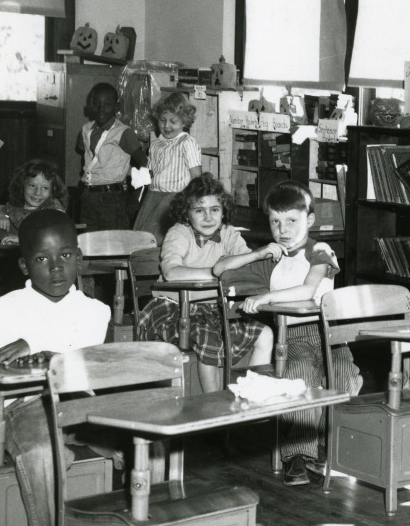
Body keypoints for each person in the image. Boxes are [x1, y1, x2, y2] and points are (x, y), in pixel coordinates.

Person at [0, 210, 112, 526]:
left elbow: (91, 357)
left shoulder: (96, 310)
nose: (55, 268)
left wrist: (42, 348)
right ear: (23, 264)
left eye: (65, 256)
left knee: (146, 442)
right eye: (41, 259)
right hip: (26, 405)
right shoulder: (3, 309)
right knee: (41, 450)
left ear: (79, 258)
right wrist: (26, 357)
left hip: (83, 405)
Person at [217, 181, 361, 487]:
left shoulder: (319, 249)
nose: (283, 229)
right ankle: (297, 454)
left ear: (309, 220)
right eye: (275, 222)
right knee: (300, 377)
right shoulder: (271, 259)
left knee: (343, 375)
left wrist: (267, 298)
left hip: (331, 335)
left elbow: (309, 288)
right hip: (291, 338)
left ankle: (323, 445)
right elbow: (220, 271)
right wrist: (256, 255)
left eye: (292, 220)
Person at [135, 174, 273, 393]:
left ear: (223, 211)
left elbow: (247, 266)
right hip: (176, 309)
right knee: (210, 339)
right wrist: (216, 272)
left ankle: (253, 396)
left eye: (215, 209)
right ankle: (215, 406)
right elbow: (171, 272)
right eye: (199, 210)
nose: (208, 217)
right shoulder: (179, 232)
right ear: (187, 214)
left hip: (214, 309)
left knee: (265, 334)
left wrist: (259, 256)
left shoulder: (228, 233)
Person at [133, 91, 203, 243]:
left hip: (175, 199)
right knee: (145, 240)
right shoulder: (156, 144)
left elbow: (197, 177)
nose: (166, 126)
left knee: (167, 241)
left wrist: (196, 202)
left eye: (173, 121)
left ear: (184, 122)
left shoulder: (187, 143)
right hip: (152, 198)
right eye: (162, 120)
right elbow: (150, 173)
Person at [75, 82, 146, 231]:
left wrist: (136, 195)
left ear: (117, 107)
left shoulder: (123, 133)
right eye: (96, 103)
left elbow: (145, 163)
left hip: (112, 199)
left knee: (112, 243)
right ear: (89, 105)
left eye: (107, 104)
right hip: (88, 196)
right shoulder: (85, 130)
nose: (101, 108)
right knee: (87, 241)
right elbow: (86, 154)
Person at [0, 159, 67, 246]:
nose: (37, 192)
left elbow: (56, 235)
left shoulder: (53, 209)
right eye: (32, 186)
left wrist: (23, 240)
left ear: (52, 190)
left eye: (45, 188)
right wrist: (0, 214)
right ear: (22, 185)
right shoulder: (12, 208)